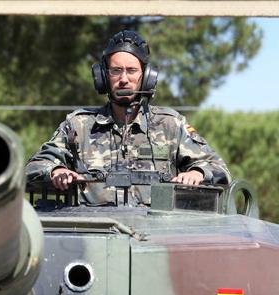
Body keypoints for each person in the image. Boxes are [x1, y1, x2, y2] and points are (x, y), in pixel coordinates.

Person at [25, 30, 230, 206]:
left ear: (147, 77)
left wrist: (197, 174)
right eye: (116, 71)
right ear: (103, 77)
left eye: (132, 71)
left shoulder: (170, 124)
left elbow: (219, 169)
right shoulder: (79, 125)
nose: (124, 79)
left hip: (156, 237)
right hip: (96, 235)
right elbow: (33, 167)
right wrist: (55, 170)